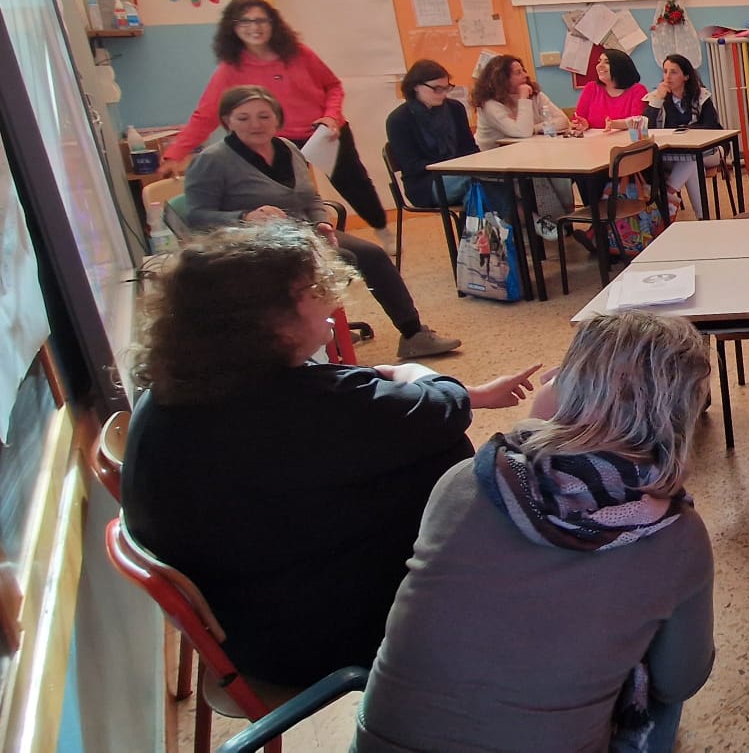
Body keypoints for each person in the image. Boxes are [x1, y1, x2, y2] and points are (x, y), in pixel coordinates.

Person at [121, 223, 537, 687]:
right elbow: (441, 408)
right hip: (321, 641)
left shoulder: (170, 393)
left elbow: (362, 403)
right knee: (452, 463)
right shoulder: (298, 409)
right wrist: (412, 373)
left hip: (249, 619)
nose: (330, 304)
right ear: (272, 317)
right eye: (314, 293)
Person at [355, 312, 715, 753]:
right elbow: (681, 680)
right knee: (656, 688)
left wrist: (549, 418)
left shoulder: (465, 480)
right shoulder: (674, 535)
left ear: (568, 390)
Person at [182, 85, 462, 359]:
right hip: (252, 243)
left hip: (303, 233)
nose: (255, 125)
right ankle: (318, 332)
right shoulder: (212, 160)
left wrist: (320, 223)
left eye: (264, 116)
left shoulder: (287, 148)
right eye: (243, 118)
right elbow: (196, 216)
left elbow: (310, 197)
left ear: (277, 118)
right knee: (340, 259)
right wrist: (244, 216)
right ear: (227, 121)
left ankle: (413, 334)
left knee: (372, 255)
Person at [160, 0, 390, 245]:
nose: (254, 27)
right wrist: (175, 153)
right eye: (245, 21)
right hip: (280, 139)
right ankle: (302, 242)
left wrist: (331, 116)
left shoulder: (299, 53)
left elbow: (333, 86)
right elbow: (206, 114)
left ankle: (383, 230)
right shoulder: (230, 69)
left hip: (324, 131)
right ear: (232, 27)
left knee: (355, 184)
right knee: (285, 196)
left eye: (261, 20)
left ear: (273, 23)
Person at [384, 60, 509, 215]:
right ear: (416, 86)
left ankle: (480, 231)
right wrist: (452, 166)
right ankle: (520, 219)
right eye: (437, 89)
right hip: (425, 184)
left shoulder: (455, 108)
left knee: (479, 188)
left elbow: (469, 148)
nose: (444, 94)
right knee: (477, 180)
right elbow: (412, 165)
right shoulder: (399, 119)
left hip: (462, 174)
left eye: (446, 88)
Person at [471, 54, 573, 236]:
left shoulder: (536, 95)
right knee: (526, 183)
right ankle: (538, 221)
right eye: (518, 73)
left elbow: (562, 120)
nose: (525, 75)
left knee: (561, 175)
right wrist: (523, 99)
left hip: (531, 157)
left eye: (523, 70)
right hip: (497, 164)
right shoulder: (490, 104)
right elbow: (522, 132)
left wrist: (535, 127)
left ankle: (564, 220)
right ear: (502, 78)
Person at [645, 53, 725, 219]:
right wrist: (658, 100)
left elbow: (711, 126)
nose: (667, 77)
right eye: (665, 71)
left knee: (692, 158)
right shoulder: (657, 97)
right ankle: (703, 217)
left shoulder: (701, 96)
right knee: (691, 162)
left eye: (673, 72)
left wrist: (685, 130)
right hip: (674, 153)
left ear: (686, 76)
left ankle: (667, 195)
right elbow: (647, 127)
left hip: (709, 150)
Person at [574, 47, 650, 131]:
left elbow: (637, 123)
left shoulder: (638, 90)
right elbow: (578, 119)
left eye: (607, 62)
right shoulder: (591, 88)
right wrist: (582, 124)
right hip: (595, 138)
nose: (600, 65)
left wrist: (614, 124)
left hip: (625, 138)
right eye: (599, 61)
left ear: (620, 67)